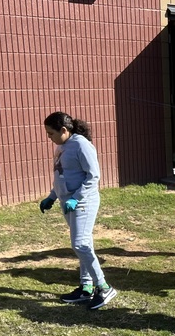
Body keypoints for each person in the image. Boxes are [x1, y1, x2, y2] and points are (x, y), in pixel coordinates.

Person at [39, 111, 117, 310]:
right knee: (85, 244)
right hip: (68, 202)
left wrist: (75, 198)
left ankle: (104, 286)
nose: (49, 138)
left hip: (83, 202)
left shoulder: (82, 145)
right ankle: (86, 287)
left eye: (51, 133)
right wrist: (52, 196)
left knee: (80, 244)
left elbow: (93, 177)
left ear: (64, 130)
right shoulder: (62, 146)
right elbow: (61, 175)